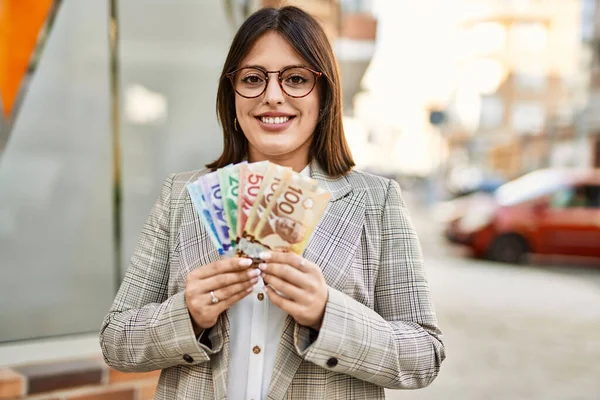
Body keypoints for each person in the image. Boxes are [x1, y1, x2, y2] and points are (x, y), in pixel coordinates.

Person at [100, 6, 445, 399]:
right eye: (253, 79)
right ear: (232, 95)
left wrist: (327, 313)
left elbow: (423, 356)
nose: (273, 96)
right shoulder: (181, 196)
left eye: (296, 78)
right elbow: (116, 341)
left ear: (324, 94)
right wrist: (187, 314)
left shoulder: (375, 202)